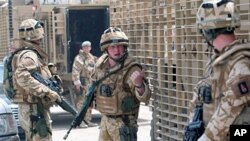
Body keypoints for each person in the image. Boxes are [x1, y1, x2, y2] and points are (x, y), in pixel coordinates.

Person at [188, 0, 250, 140]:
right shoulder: (218, 61)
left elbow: (230, 107)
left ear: (208, 31)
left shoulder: (241, 65)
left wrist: (206, 138)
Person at [91, 27, 151, 141]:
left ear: (125, 48)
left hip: (124, 125)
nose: (117, 50)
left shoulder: (131, 69)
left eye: (120, 46)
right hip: (105, 122)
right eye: (112, 47)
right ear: (106, 49)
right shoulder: (100, 66)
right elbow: (94, 87)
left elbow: (145, 97)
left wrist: (139, 85)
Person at [12, 18, 62, 141]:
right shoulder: (30, 55)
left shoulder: (24, 52)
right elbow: (22, 75)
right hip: (34, 109)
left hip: (30, 108)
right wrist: (46, 91)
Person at [72, 41, 98, 128]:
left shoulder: (91, 57)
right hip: (83, 82)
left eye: (88, 47)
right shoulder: (79, 58)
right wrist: (77, 83)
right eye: (85, 47)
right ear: (82, 48)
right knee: (81, 103)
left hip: (90, 83)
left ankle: (88, 120)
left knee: (89, 103)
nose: (87, 48)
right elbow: (75, 71)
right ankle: (80, 122)